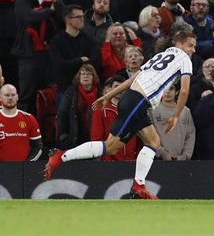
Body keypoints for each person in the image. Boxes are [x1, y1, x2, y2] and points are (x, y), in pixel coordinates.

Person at [44, 31, 197, 200]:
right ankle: (61, 156)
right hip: (137, 102)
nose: (193, 50)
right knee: (110, 147)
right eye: (190, 45)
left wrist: (110, 95)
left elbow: (133, 79)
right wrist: (176, 116)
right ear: (179, 44)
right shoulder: (184, 59)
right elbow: (184, 90)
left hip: (135, 100)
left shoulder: (161, 56)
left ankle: (139, 185)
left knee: (153, 141)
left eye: (194, 46)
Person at [149, 84, 195, 161]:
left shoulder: (185, 111)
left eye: (171, 89)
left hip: (181, 161)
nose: (167, 92)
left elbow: (190, 135)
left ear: (177, 92)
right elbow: (149, 136)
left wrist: (185, 156)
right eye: (164, 88)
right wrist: (162, 153)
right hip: (157, 160)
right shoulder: (152, 110)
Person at [0, 84, 42, 161]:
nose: (10, 98)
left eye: (13, 95)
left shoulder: (29, 118)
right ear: (0, 98)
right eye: (7, 95)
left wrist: (27, 165)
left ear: (17, 97)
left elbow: (38, 147)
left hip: (22, 170)